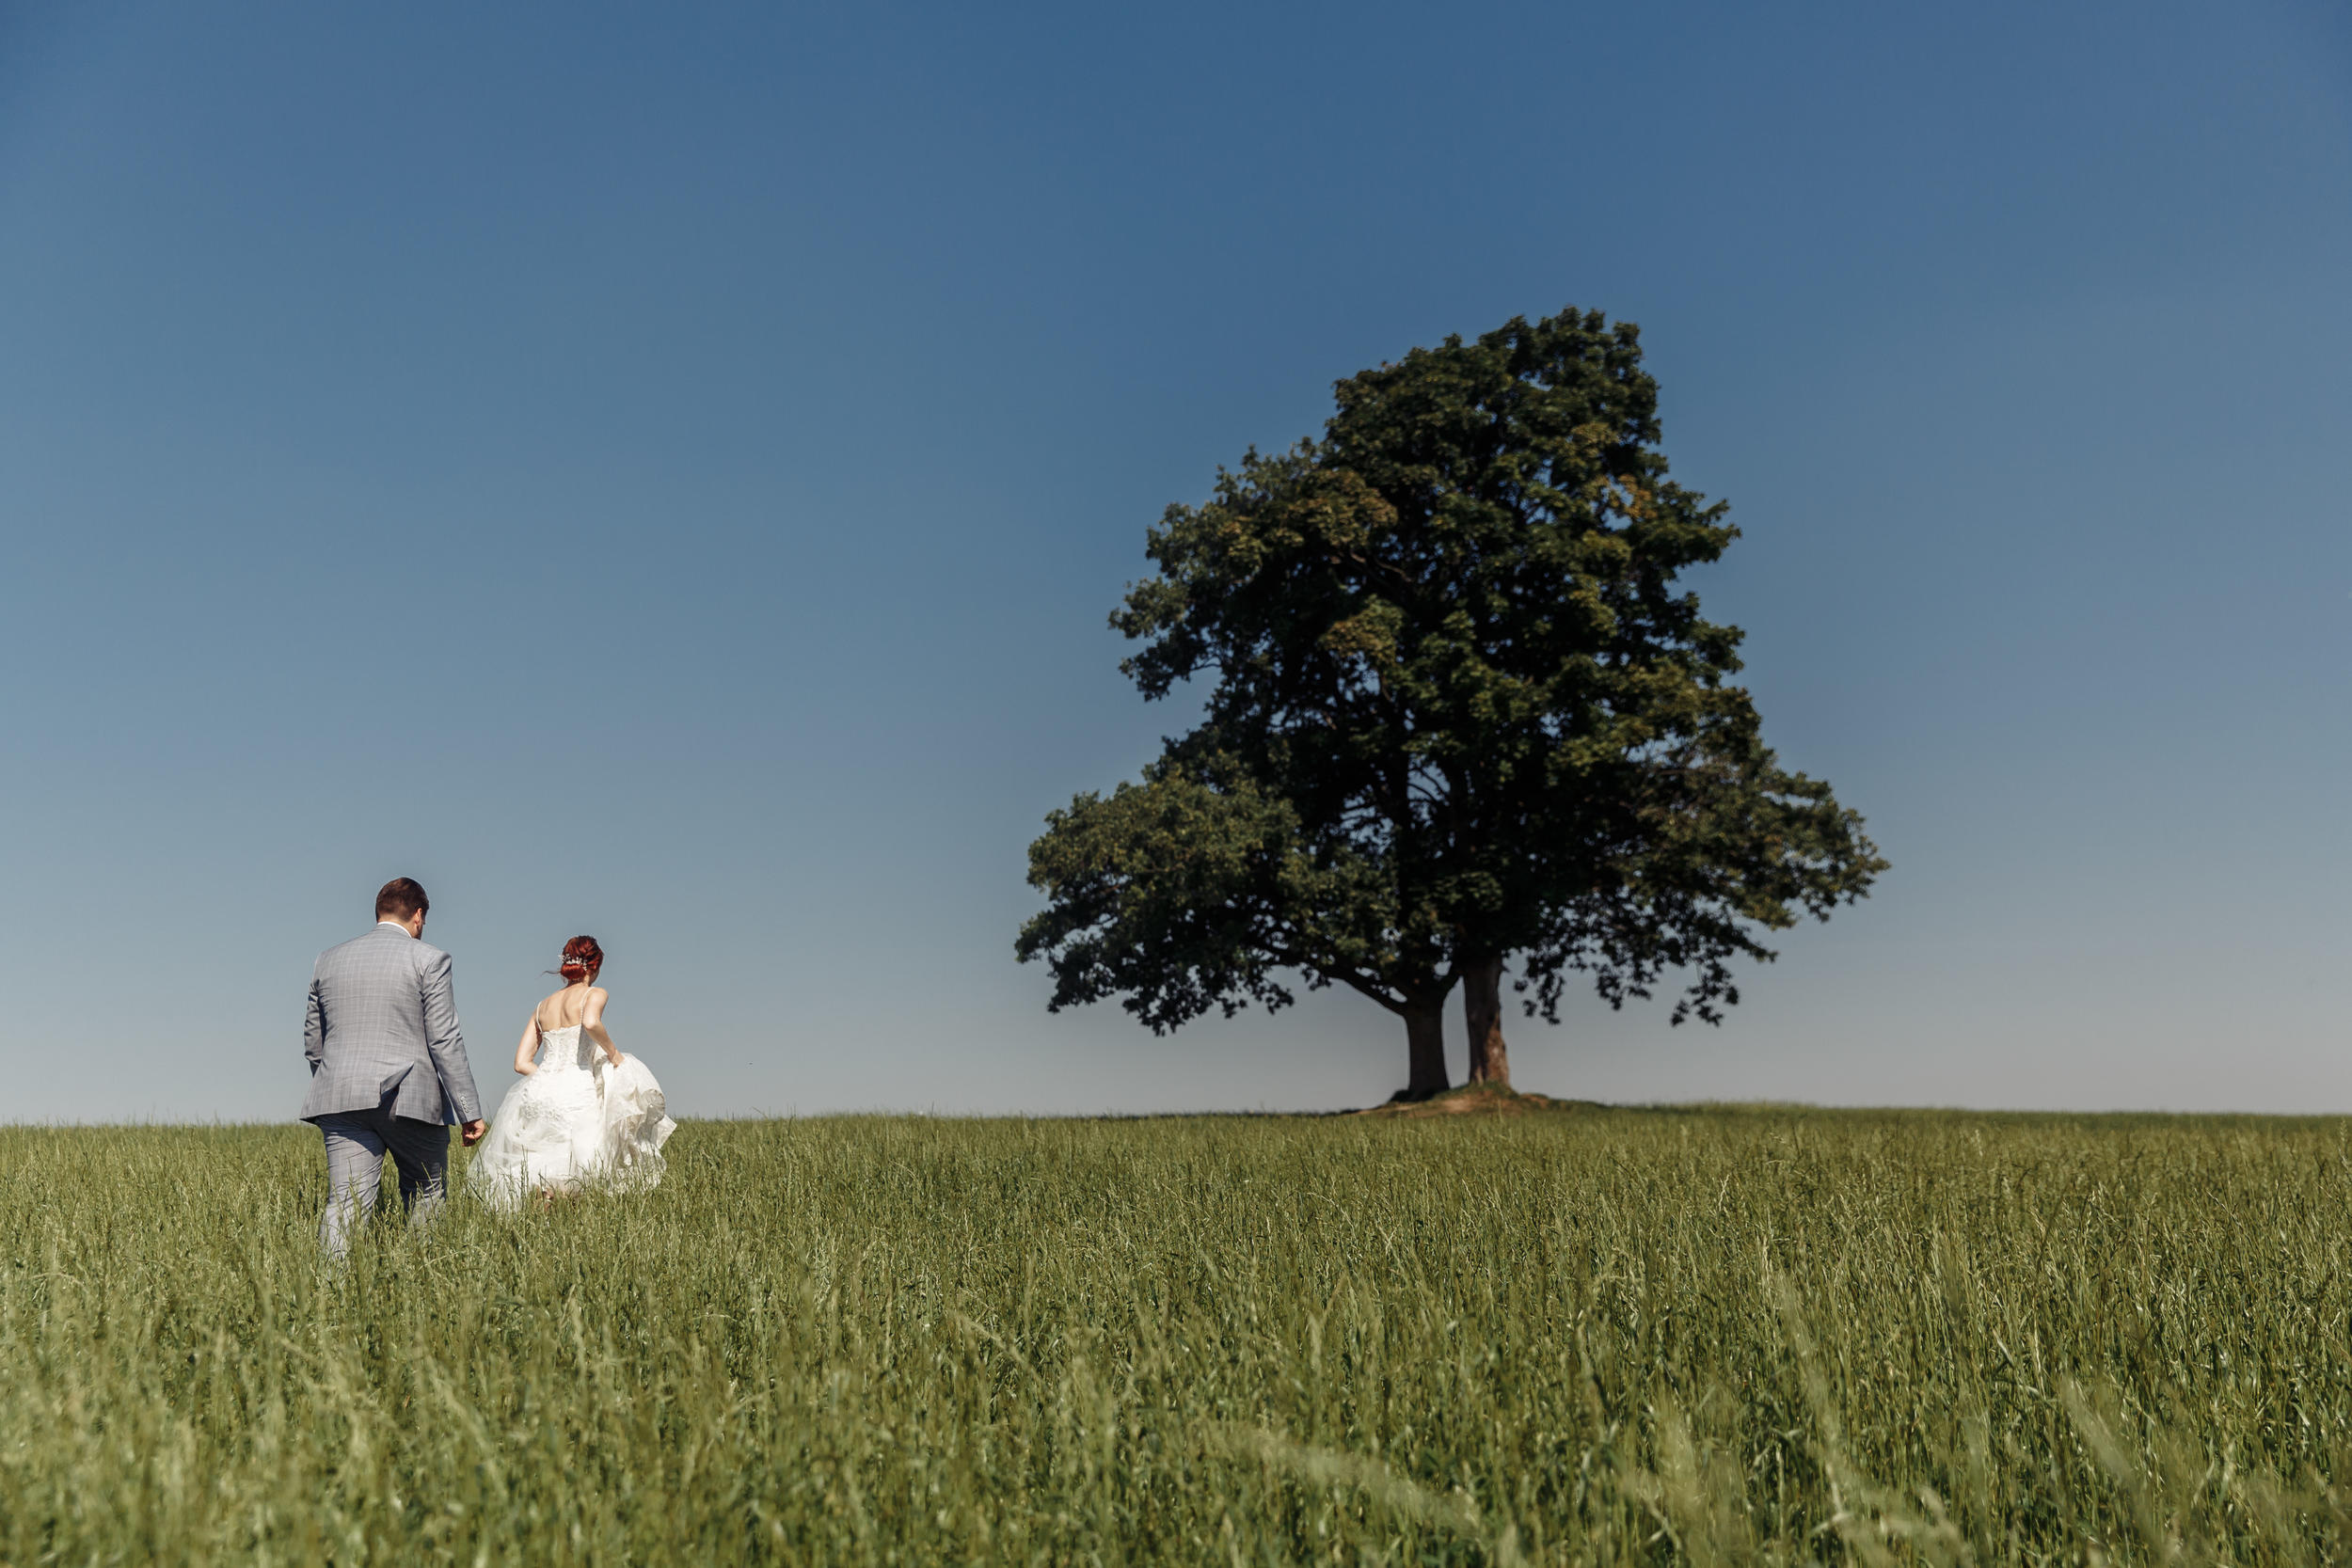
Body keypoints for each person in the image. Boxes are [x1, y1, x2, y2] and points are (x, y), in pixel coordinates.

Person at [301, 877, 486, 1257]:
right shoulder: (429, 959)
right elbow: (444, 1040)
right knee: (426, 1191)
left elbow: (313, 1041)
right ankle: (420, 1283)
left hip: (340, 1098)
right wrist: (469, 1110)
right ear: (418, 916)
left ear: (379, 911)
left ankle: (327, 1297)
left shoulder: (328, 959)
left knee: (345, 1204)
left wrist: (336, 1079)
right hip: (408, 1097)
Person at [468, 935, 675, 1208]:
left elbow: (521, 1062)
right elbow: (590, 1022)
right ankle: (566, 1227)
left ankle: (543, 1222)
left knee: (545, 1165)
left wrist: (547, 1077)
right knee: (580, 1168)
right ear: (594, 965)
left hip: (538, 1092)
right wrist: (614, 1055)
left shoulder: (542, 1006)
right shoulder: (595, 994)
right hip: (576, 1088)